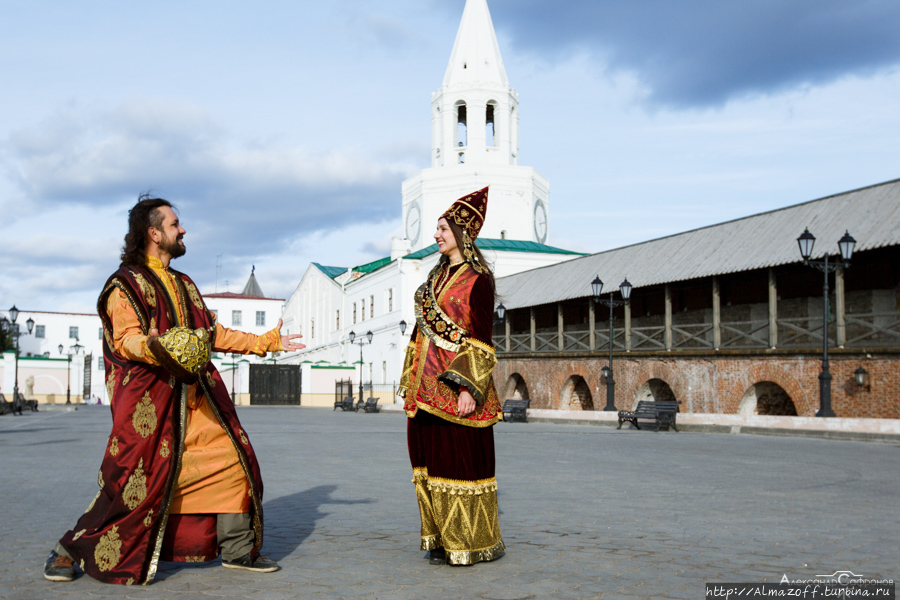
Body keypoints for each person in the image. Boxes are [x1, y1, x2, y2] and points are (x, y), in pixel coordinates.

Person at [43, 194, 304, 585]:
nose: (182, 230)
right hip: (153, 404)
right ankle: (70, 549)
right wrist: (155, 347)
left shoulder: (184, 284)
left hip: (196, 402)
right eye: (174, 224)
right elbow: (125, 340)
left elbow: (212, 333)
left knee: (232, 462)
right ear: (153, 233)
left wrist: (267, 341)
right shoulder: (124, 285)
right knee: (135, 484)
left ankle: (236, 550)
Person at [398, 186, 505, 566]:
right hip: (424, 389)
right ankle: (442, 538)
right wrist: (410, 377)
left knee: (457, 462)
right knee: (429, 463)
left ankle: (470, 543)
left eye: (443, 228)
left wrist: (469, 388)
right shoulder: (435, 278)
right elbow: (420, 331)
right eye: (437, 228)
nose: (436, 235)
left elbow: (481, 337)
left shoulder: (478, 281)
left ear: (461, 233)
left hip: (455, 387)